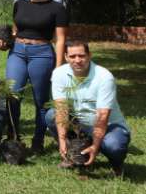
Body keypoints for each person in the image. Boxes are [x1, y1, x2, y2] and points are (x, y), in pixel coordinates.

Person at [0, 0, 68, 153]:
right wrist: (3, 43)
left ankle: (38, 140)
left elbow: (60, 40)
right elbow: (16, 31)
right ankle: (13, 137)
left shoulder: (57, 8)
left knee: (40, 100)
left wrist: (58, 67)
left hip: (42, 53)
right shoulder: (19, 4)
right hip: (17, 51)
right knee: (12, 93)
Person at [45, 40, 129, 176]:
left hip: (109, 125)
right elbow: (61, 108)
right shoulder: (59, 73)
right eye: (72, 56)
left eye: (81, 56)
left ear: (89, 55)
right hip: (80, 123)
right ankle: (73, 154)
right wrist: (62, 140)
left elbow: (103, 116)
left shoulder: (104, 77)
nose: (77, 60)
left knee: (114, 145)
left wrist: (95, 147)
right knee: (51, 115)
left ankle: (117, 165)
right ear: (66, 57)